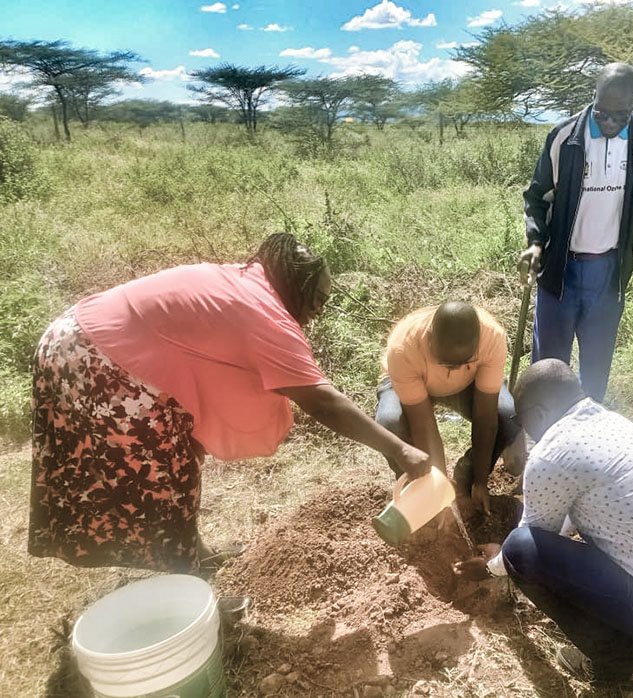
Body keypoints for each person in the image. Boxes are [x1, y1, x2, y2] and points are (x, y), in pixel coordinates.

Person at [28, 234, 430, 574]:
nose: (320, 311)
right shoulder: (262, 312)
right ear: (296, 284)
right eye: (318, 298)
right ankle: (183, 583)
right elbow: (319, 399)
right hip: (94, 360)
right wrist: (399, 448)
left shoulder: (246, 285)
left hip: (77, 340)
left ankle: (189, 558)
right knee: (160, 478)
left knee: (179, 458)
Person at [454, 359, 633, 682]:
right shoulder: (611, 425)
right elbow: (562, 522)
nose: (525, 429)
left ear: (537, 413)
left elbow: (530, 546)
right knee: (531, 546)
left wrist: (493, 565)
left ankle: (620, 659)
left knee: (520, 550)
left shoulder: (551, 455)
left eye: (522, 420)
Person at [519, 62, 633, 402]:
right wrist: (536, 244)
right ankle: (539, 440)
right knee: (549, 367)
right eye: (602, 113)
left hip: (609, 274)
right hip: (560, 270)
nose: (611, 123)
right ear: (593, 97)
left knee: (596, 369)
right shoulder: (565, 138)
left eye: (620, 115)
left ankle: (587, 439)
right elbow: (538, 198)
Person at [375, 302, 522, 514]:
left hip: (467, 384)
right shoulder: (404, 347)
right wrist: (440, 492)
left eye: (464, 362)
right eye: (446, 364)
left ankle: (466, 479)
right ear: (430, 337)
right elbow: (423, 425)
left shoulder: (491, 337)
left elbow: (486, 416)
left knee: (508, 417)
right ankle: (420, 489)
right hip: (409, 379)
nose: (453, 370)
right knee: (390, 424)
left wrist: (480, 480)